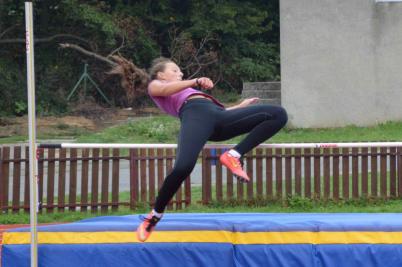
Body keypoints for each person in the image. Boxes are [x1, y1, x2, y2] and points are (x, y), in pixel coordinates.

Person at [111, 56, 288, 242]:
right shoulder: (155, 86)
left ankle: (234, 155)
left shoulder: (190, 90)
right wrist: (196, 80)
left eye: (180, 71)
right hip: (195, 116)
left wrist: (239, 107)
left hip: (220, 118)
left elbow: (219, 114)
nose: (180, 73)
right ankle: (155, 215)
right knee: (183, 167)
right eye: (175, 70)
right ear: (161, 75)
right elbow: (166, 90)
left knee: (278, 114)